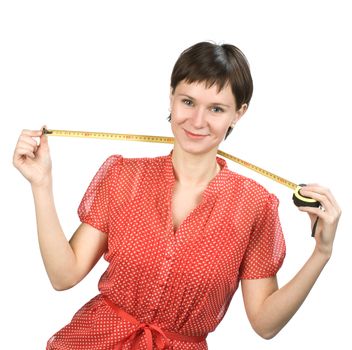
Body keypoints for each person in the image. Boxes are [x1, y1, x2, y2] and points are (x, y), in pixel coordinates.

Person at [13, 41, 341, 350]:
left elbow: (265, 324)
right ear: (171, 97)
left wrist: (321, 253)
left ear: (238, 114)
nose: (197, 121)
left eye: (216, 108)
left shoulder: (254, 206)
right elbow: (63, 275)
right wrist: (41, 184)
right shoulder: (123, 176)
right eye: (188, 102)